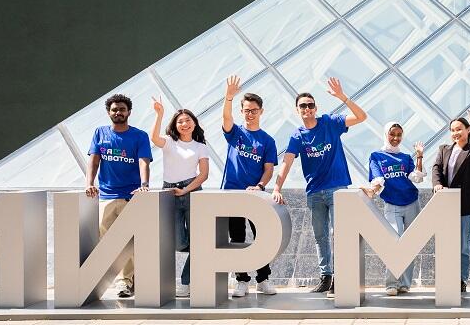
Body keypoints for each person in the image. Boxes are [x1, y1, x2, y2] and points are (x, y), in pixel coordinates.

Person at [272, 77, 367, 295]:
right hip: (314, 192)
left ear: (316, 108)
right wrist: (277, 187)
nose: (307, 108)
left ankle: (341, 279)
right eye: (302, 106)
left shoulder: (330, 123)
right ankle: (326, 277)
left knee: (339, 234)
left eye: (310, 105)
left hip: (337, 189)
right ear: (297, 110)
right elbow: (287, 161)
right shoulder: (297, 135)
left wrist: (342, 97)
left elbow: (361, 117)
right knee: (320, 236)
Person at [85, 94, 153, 298]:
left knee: (128, 239)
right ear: (109, 112)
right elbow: (94, 161)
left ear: (129, 112)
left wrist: (144, 185)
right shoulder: (100, 133)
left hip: (130, 195)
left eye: (122, 109)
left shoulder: (139, 136)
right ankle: (122, 278)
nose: (118, 112)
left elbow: (143, 162)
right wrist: (89, 183)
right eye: (114, 109)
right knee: (107, 239)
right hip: (106, 194)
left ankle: (125, 281)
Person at [221, 75, 278, 298]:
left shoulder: (267, 140)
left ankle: (263, 280)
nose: (250, 114)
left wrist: (260, 185)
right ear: (242, 111)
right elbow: (226, 118)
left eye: (254, 110)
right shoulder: (235, 133)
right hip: (233, 193)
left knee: (260, 237)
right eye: (246, 110)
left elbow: (269, 169)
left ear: (261, 111)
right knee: (236, 239)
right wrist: (228, 97)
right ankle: (241, 280)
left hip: (256, 196)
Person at [150, 97, 210, 298]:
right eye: (180, 121)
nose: (184, 124)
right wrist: (159, 114)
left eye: (188, 120)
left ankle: (186, 282)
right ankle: (203, 256)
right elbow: (154, 138)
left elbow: (203, 174)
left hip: (193, 191)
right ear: (175, 125)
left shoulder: (200, 146)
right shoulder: (169, 142)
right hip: (169, 192)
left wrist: (185, 190)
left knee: (198, 240)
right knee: (178, 242)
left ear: (194, 123)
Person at [362, 123, 426, 296]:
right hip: (392, 204)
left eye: (399, 135)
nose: (396, 138)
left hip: (412, 202)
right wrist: (373, 190)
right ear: (386, 134)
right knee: (394, 241)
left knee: (410, 243)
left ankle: (404, 284)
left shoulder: (405, 157)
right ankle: (392, 283)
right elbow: (378, 178)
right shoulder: (376, 156)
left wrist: (419, 156)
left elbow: (416, 178)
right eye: (392, 134)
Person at [431, 110, 470, 293]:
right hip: (445, 202)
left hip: (465, 204)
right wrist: (437, 184)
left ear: (468, 130)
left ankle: (461, 279)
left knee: (463, 244)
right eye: (453, 130)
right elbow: (436, 168)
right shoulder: (443, 149)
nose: (455, 133)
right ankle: (446, 276)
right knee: (446, 242)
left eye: (459, 129)